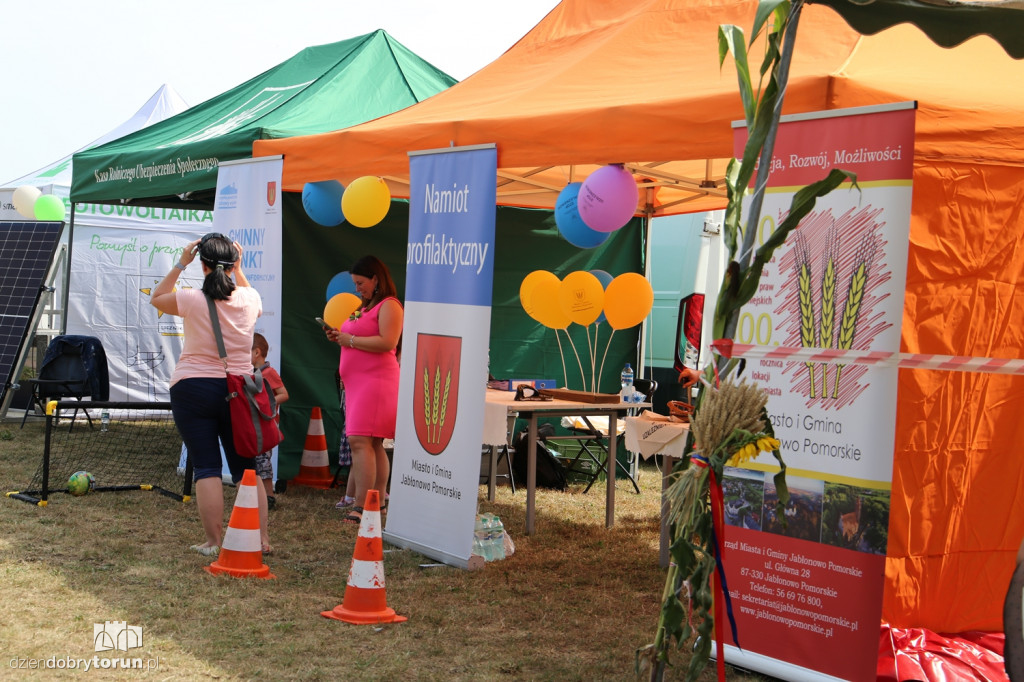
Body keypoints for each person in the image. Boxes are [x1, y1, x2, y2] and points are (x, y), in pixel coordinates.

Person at [151, 233, 269, 557]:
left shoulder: (191, 298)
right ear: (233, 264)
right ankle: (261, 540)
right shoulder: (249, 298)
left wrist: (180, 263)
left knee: (207, 466)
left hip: (193, 386)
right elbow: (250, 298)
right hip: (239, 389)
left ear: (201, 263)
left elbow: (157, 297)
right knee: (247, 469)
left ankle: (213, 542)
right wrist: (239, 269)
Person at [325, 255, 403, 525]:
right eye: (355, 284)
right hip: (359, 384)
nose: (357, 288)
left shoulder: (389, 305)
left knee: (361, 441)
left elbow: (387, 342)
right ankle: (376, 504)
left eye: (360, 283)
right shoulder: (363, 308)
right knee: (372, 443)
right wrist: (340, 338)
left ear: (376, 279)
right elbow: (355, 337)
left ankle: (361, 506)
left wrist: (351, 340)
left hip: (377, 383)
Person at [251, 333, 289, 514]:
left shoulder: (269, 373)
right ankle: (257, 494)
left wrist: (268, 403)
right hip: (254, 426)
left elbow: (284, 394)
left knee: (263, 462)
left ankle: (269, 496)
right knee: (255, 461)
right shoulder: (251, 374)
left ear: (256, 352)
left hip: (266, 427)